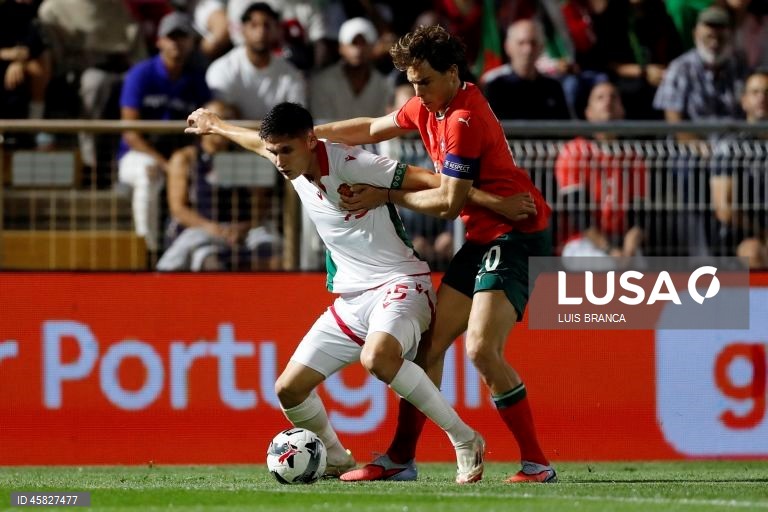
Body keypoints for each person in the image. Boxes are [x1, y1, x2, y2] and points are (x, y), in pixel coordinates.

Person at [185, 101, 531, 483]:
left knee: (379, 358)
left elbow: (433, 181)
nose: (279, 161)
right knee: (288, 389)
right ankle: (335, 458)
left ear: (309, 141)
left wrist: (494, 203)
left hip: (401, 282)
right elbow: (255, 142)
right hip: (352, 300)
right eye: (274, 151)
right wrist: (215, 124)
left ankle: (464, 439)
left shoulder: (352, 164)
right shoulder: (292, 163)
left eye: (286, 150)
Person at [313, 24, 555, 483]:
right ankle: (401, 459)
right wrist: (310, 135)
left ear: (452, 72)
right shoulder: (429, 104)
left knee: (481, 348)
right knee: (429, 345)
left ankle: (537, 464)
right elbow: (368, 128)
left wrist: (387, 194)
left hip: (516, 235)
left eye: (424, 80)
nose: (417, 91)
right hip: (485, 235)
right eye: (411, 81)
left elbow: (448, 204)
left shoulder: (464, 119)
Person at [117, 11, 211, 252]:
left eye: (183, 37)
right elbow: (130, 132)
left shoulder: (196, 80)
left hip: (180, 155)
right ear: (159, 41)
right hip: (138, 154)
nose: (176, 42)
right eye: (171, 37)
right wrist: (165, 165)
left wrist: (181, 162)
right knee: (148, 175)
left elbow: (209, 122)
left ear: (191, 42)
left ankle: (194, 249)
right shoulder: (141, 74)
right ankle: (146, 253)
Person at [157, 101, 279, 271]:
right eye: (214, 118)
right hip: (201, 228)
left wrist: (243, 227)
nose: (218, 124)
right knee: (209, 260)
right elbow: (178, 209)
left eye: (225, 119)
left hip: (244, 229)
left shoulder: (247, 158)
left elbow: (261, 204)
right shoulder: (185, 158)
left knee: (271, 251)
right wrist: (213, 229)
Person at [555, 81, 647, 261]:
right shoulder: (575, 151)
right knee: (607, 267)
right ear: (588, 113)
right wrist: (610, 250)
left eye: (613, 97)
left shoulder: (633, 155)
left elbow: (640, 213)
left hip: (620, 240)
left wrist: (629, 247)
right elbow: (578, 212)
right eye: (600, 97)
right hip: (580, 241)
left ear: (622, 110)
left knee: (639, 272)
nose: (608, 101)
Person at [206, 2, 306, 121]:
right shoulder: (222, 69)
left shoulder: (291, 74)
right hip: (232, 137)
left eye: (267, 25)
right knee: (215, 112)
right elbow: (220, 115)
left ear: (277, 30)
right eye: (254, 25)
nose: (261, 31)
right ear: (243, 29)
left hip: (277, 138)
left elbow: (297, 121)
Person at [709, 70, 768, 267]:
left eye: (767, 92)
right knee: (753, 253)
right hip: (742, 234)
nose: (762, 98)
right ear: (744, 101)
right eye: (755, 92)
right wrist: (761, 231)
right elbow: (724, 209)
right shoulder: (730, 147)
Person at [481, 19, 570, 121]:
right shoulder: (495, 87)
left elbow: (565, 129)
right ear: (508, 47)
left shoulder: (553, 88)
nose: (528, 50)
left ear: (541, 47)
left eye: (533, 43)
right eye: (521, 43)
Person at [309, 17, 392, 120]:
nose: (359, 49)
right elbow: (322, 125)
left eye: (364, 43)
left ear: (372, 47)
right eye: (353, 43)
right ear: (341, 47)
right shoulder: (322, 82)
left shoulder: (383, 85)